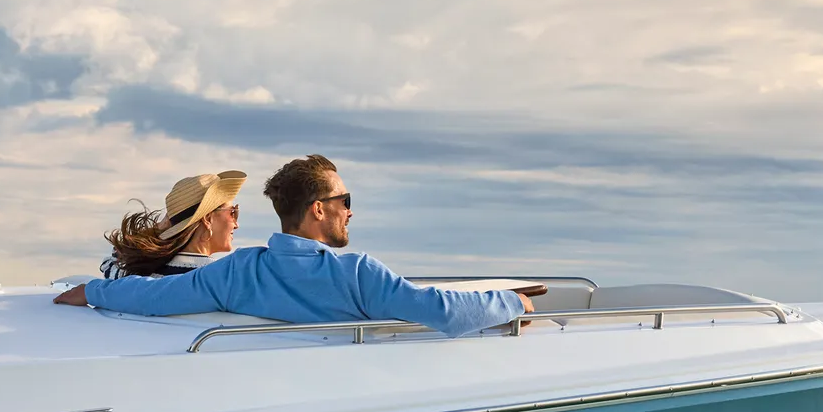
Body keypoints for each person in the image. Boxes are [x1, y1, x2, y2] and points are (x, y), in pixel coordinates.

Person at [56, 155, 532, 337]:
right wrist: (514, 302)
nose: (350, 209)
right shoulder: (358, 274)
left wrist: (92, 291)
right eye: (344, 199)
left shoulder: (238, 270)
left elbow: (155, 297)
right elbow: (443, 312)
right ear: (318, 210)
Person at [98, 170, 246, 279]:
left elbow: (111, 262)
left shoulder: (138, 275)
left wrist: (162, 228)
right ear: (207, 219)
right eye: (233, 212)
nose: (236, 224)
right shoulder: (223, 277)